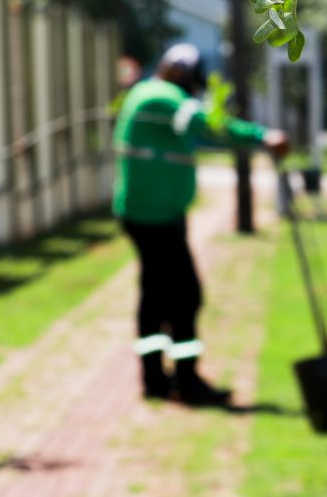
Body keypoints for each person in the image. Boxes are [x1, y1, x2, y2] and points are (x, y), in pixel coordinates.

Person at [113, 43, 289, 405]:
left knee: (157, 293)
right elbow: (207, 124)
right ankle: (186, 382)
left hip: (154, 215)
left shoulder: (149, 93)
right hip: (155, 218)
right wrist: (261, 137)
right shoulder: (162, 98)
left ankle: (156, 381)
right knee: (184, 295)